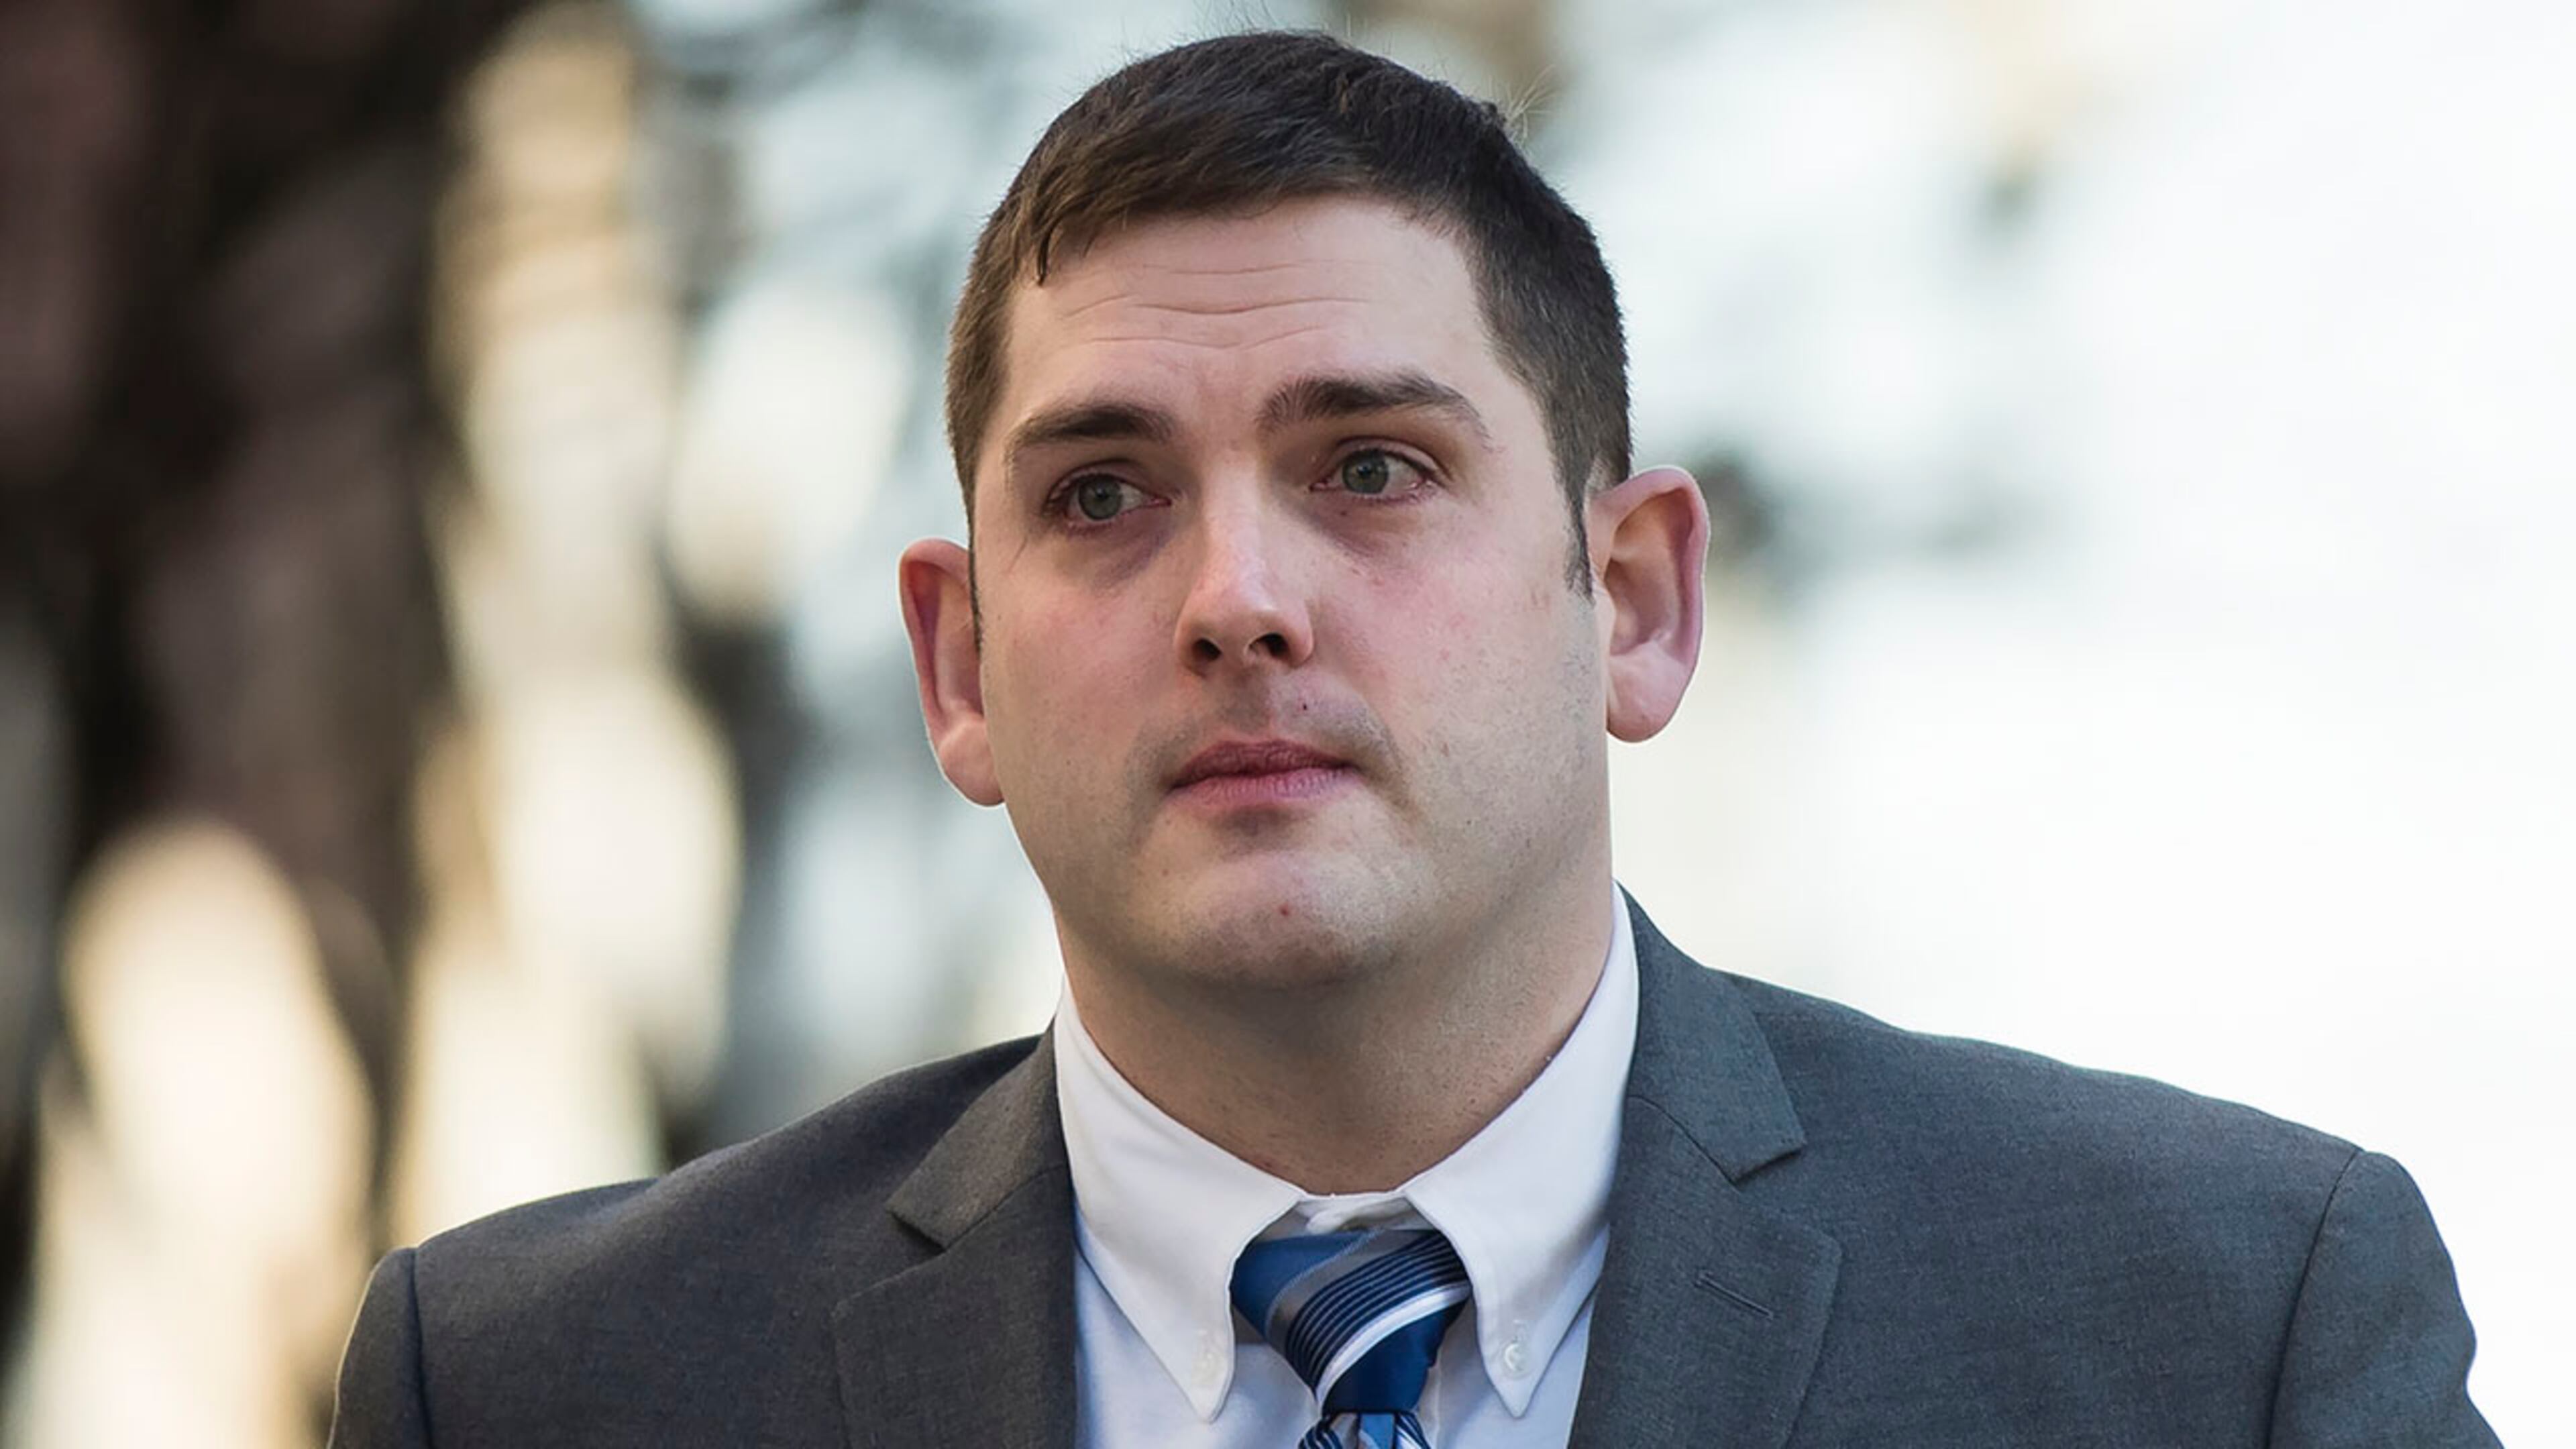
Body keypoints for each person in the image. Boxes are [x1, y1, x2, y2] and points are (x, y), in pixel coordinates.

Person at [329, 30, 2498, 1448]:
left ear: (1633, 602)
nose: (1237, 597)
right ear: (960, 665)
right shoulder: (540, 1390)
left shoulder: (2219, 1335)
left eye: (1371, 467)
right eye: (1103, 495)